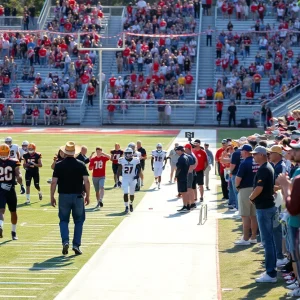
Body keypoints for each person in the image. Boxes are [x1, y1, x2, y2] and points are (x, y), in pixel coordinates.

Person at [51, 141, 90, 255]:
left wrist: (52, 196)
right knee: (79, 221)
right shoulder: (81, 164)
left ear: (65, 152)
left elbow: (54, 182)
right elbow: (86, 181)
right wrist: (88, 195)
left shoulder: (59, 165)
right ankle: (76, 245)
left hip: (63, 196)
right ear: (74, 152)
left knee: (63, 220)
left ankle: (65, 241)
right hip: (78, 196)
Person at [249, 146, 277, 283]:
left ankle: (270, 273)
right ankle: (271, 270)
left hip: (264, 208)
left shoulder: (264, 168)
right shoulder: (268, 166)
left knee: (267, 241)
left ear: (261, 155)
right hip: (267, 206)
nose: (253, 156)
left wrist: (251, 197)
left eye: (255, 154)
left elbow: (259, 188)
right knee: (269, 240)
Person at [234, 144, 259, 245]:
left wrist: (237, 187)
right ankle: (253, 237)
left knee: (245, 215)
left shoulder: (244, 163)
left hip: (245, 189)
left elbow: (238, 179)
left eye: (242, 151)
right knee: (253, 215)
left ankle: (245, 238)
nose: (240, 152)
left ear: (245, 152)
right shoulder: (256, 162)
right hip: (256, 189)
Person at [0, 144, 25, 240]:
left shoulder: (14, 162)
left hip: (7, 189)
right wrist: (21, 183)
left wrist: (19, 179)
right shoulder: (14, 161)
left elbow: (18, 174)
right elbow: (18, 174)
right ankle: (12, 232)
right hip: (9, 189)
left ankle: (3, 226)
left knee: (7, 211)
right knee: (10, 211)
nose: (3, 155)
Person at [117, 148, 141, 213]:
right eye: (127, 153)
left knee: (132, 193)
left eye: (130, 153)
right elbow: (119, 170)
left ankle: (131, 203)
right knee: (125, 192)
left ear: (132, 153)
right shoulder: (121, 160)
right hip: (125, 178)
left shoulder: (136, 160)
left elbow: (139, 168)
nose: (128, 154)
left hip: (132, 178)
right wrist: (118, 180)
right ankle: (126, 206)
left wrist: (137, 175)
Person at [175, 146, 190, 212]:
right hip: (185, 175)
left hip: (182, 176)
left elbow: (179, 168)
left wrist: (176, 176)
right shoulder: (186, 157)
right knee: (185, 192)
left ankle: (185, 206)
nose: (176, 152)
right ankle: (187, 205)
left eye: (177, 150)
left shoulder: (181, 158)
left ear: (181, 150)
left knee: (183, 192)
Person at [184, 144, 197, 210]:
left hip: (189, 173)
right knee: (190, 188)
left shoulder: (190, 155)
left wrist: (187, 172)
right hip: (191, 173)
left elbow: (192, 166)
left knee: (188, 189)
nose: (184, 150)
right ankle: (192, 203)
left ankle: (190, 203)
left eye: (185, 148)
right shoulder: (191, 155)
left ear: (188, 148)